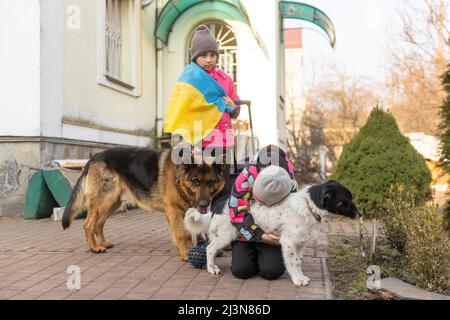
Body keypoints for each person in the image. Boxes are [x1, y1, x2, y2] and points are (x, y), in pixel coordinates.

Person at [174, 24, 240, 214]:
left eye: (213, 55)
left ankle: (218, 233)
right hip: (200, 143)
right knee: (199, 191)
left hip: (223, 142)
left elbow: (234, 108)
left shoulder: (225, 79)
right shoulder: (190, 79)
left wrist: (234, 108)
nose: (209, 59)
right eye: (204, 56)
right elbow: (183, 110)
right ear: (195, 57)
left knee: (221, 188)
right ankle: (201, 237)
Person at [228, 145, 298, 280]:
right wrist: (258, 235)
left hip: (272, 234)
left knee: (271, 272)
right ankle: (251, 253)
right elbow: (236, 211)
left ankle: (264, 256)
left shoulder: (289, 180)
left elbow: (291, 214)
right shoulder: (246, 176)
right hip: (247, 230)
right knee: (241, 270)